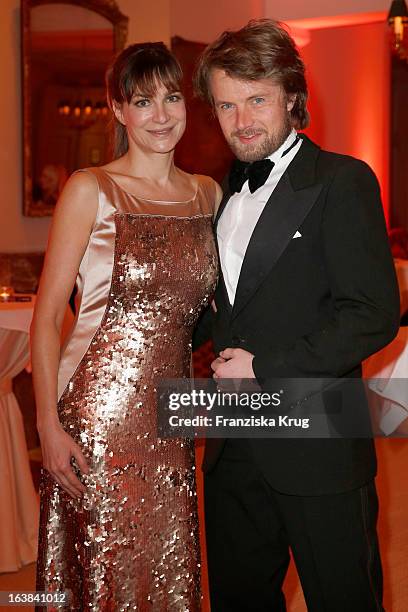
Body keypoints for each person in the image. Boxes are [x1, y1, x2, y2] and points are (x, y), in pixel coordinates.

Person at [193, 19, 400, 611]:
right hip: (234, 442)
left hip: (319, 442)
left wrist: (265, 367)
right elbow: (229, 310)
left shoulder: (341, 180)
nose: (242, 121)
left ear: (290, 93)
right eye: (227, 105)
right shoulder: (224, 192)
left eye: (256, 99)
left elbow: (372, 314)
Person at [31, 42, 220, 610]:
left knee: (167, 572)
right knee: (105, 572)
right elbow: (45, 320)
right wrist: (47, 426)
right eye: (142, 102)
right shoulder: (91, 189)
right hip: (97, 421)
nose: (161, 116)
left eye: (170, 98)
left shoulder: (207, 194)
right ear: (117, 110)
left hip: (172, 420)